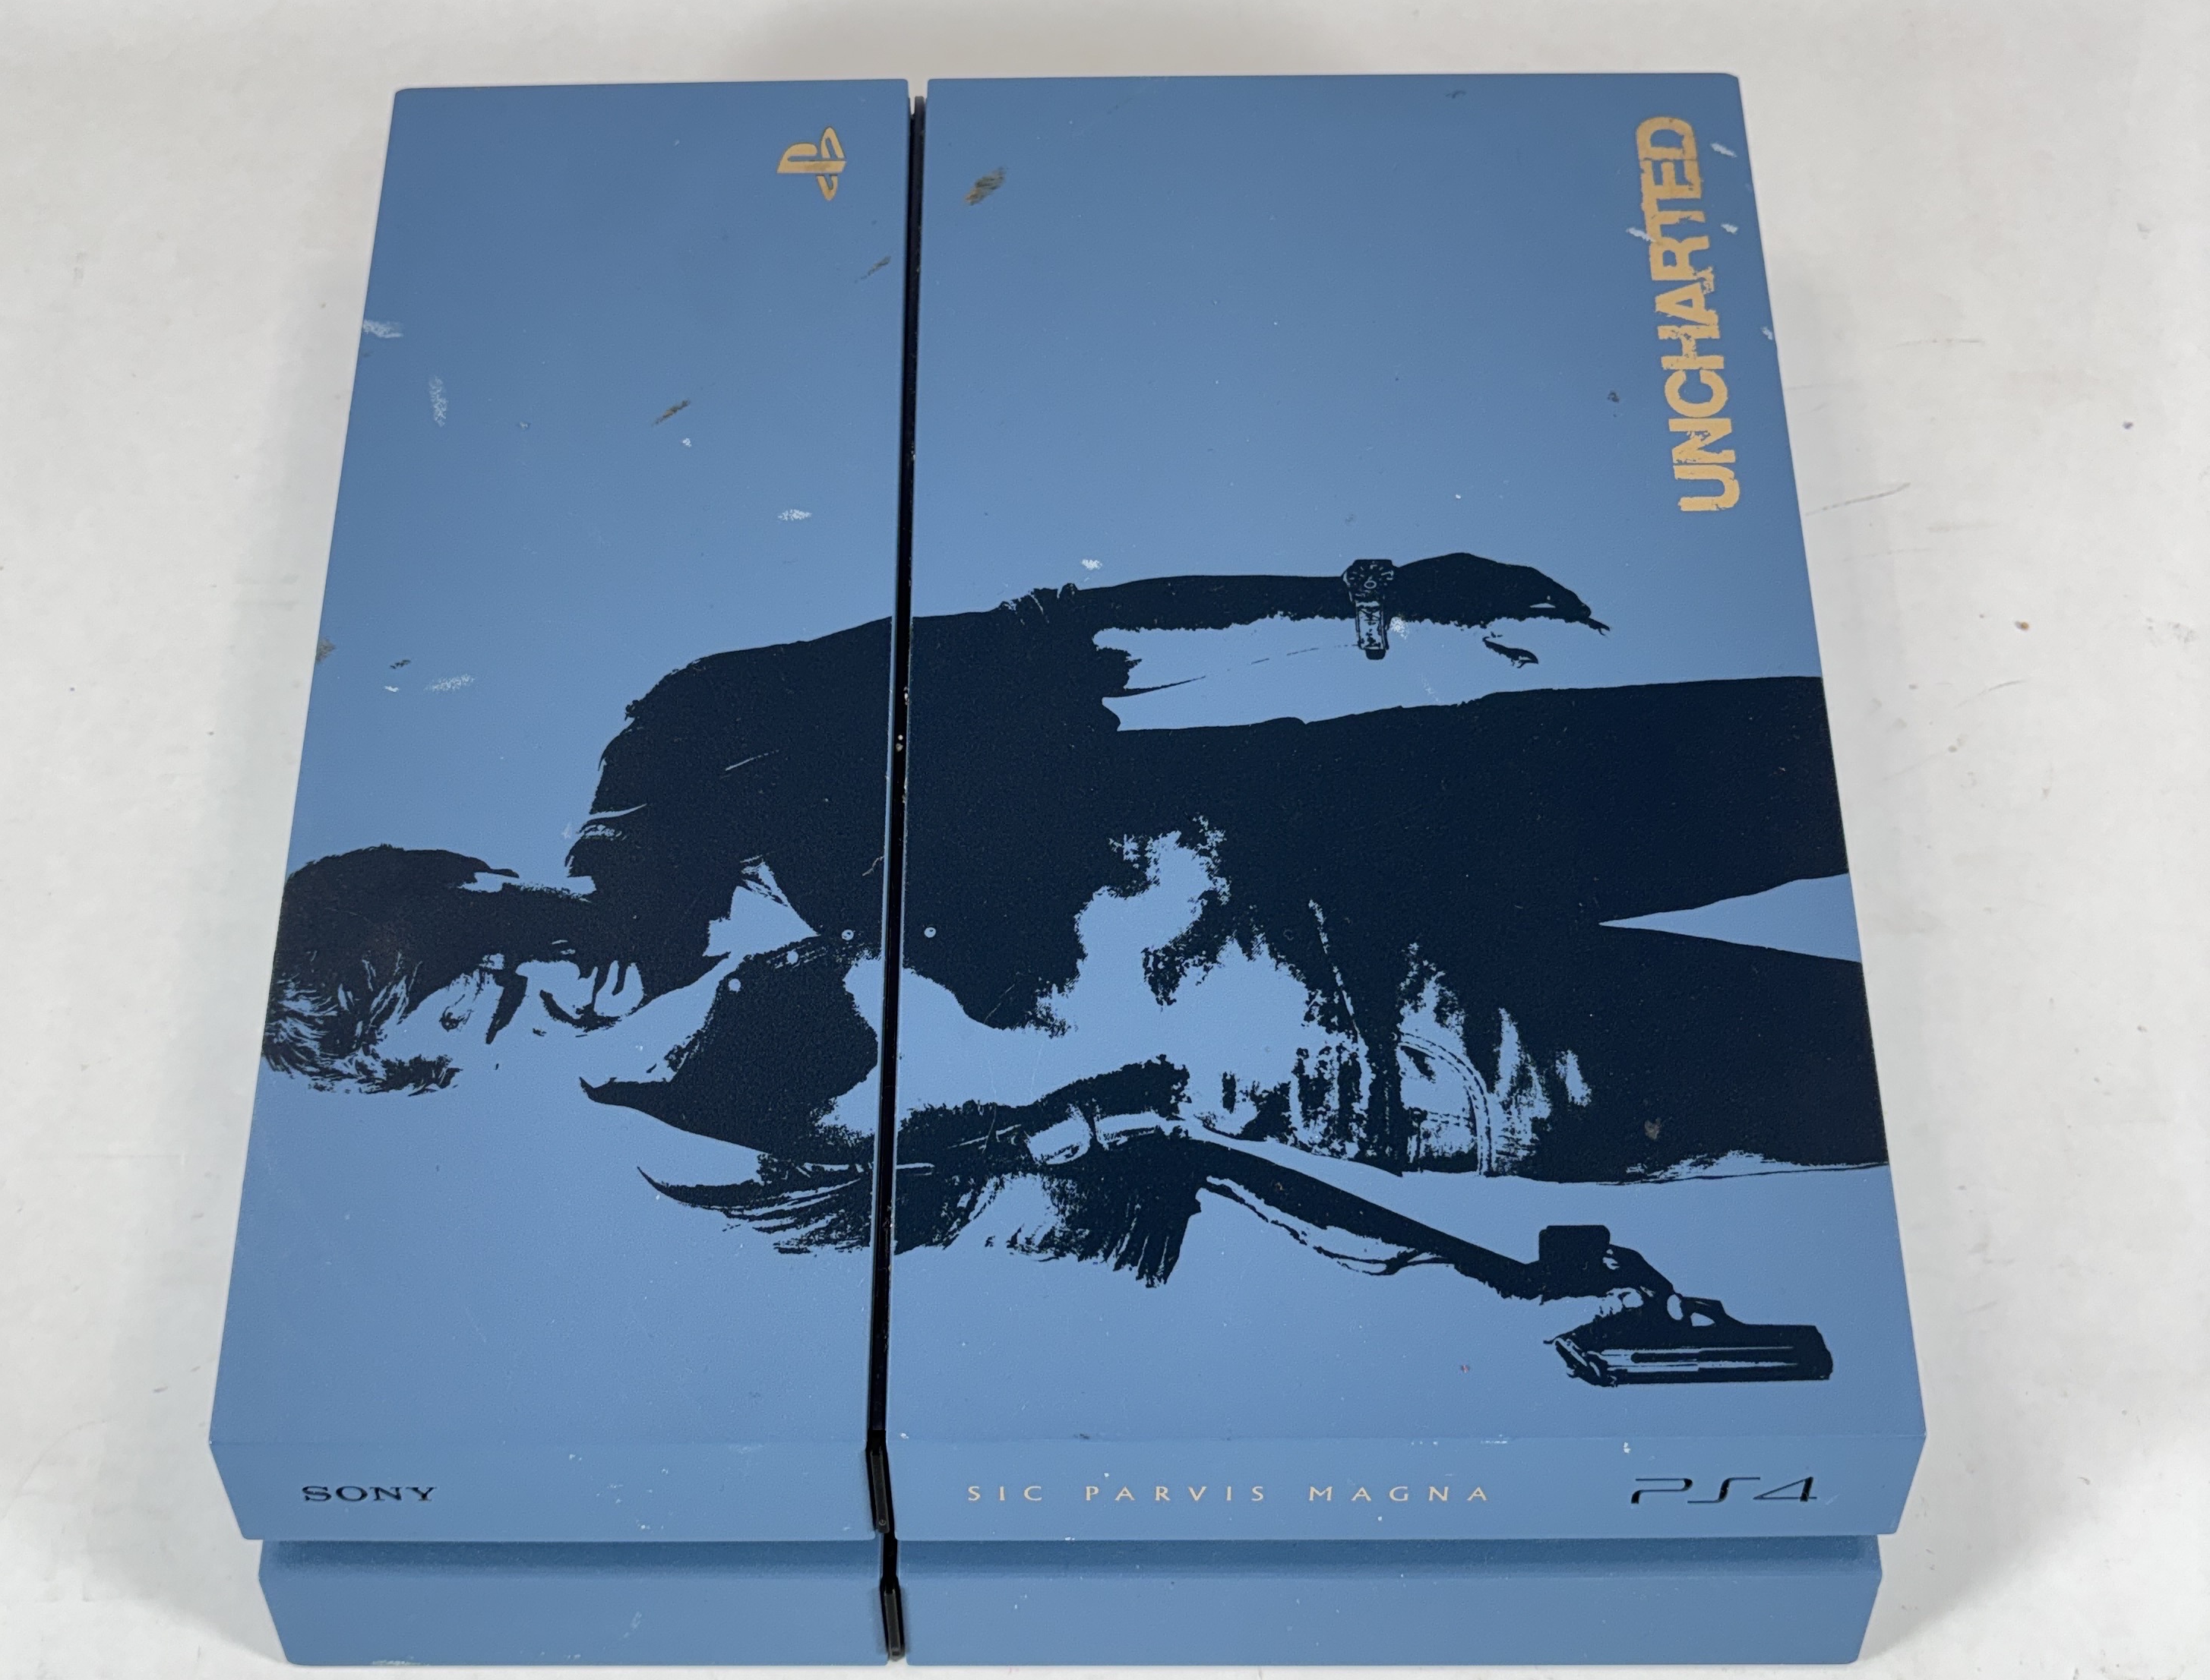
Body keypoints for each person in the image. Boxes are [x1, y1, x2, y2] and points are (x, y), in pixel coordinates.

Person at [266, 551, 1871, 1384]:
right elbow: (1183, 1176)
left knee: (1866, 768)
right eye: (499, 1027)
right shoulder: (736, 1141)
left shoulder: (696, 734)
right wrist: (1490, 1277)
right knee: (1887, 1077)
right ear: (462, 1071)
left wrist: (1376, 608)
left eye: (510, 955)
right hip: (1436, 1080)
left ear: (480, 879)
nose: (565, 995)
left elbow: (1066, 644)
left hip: (1425, 802)